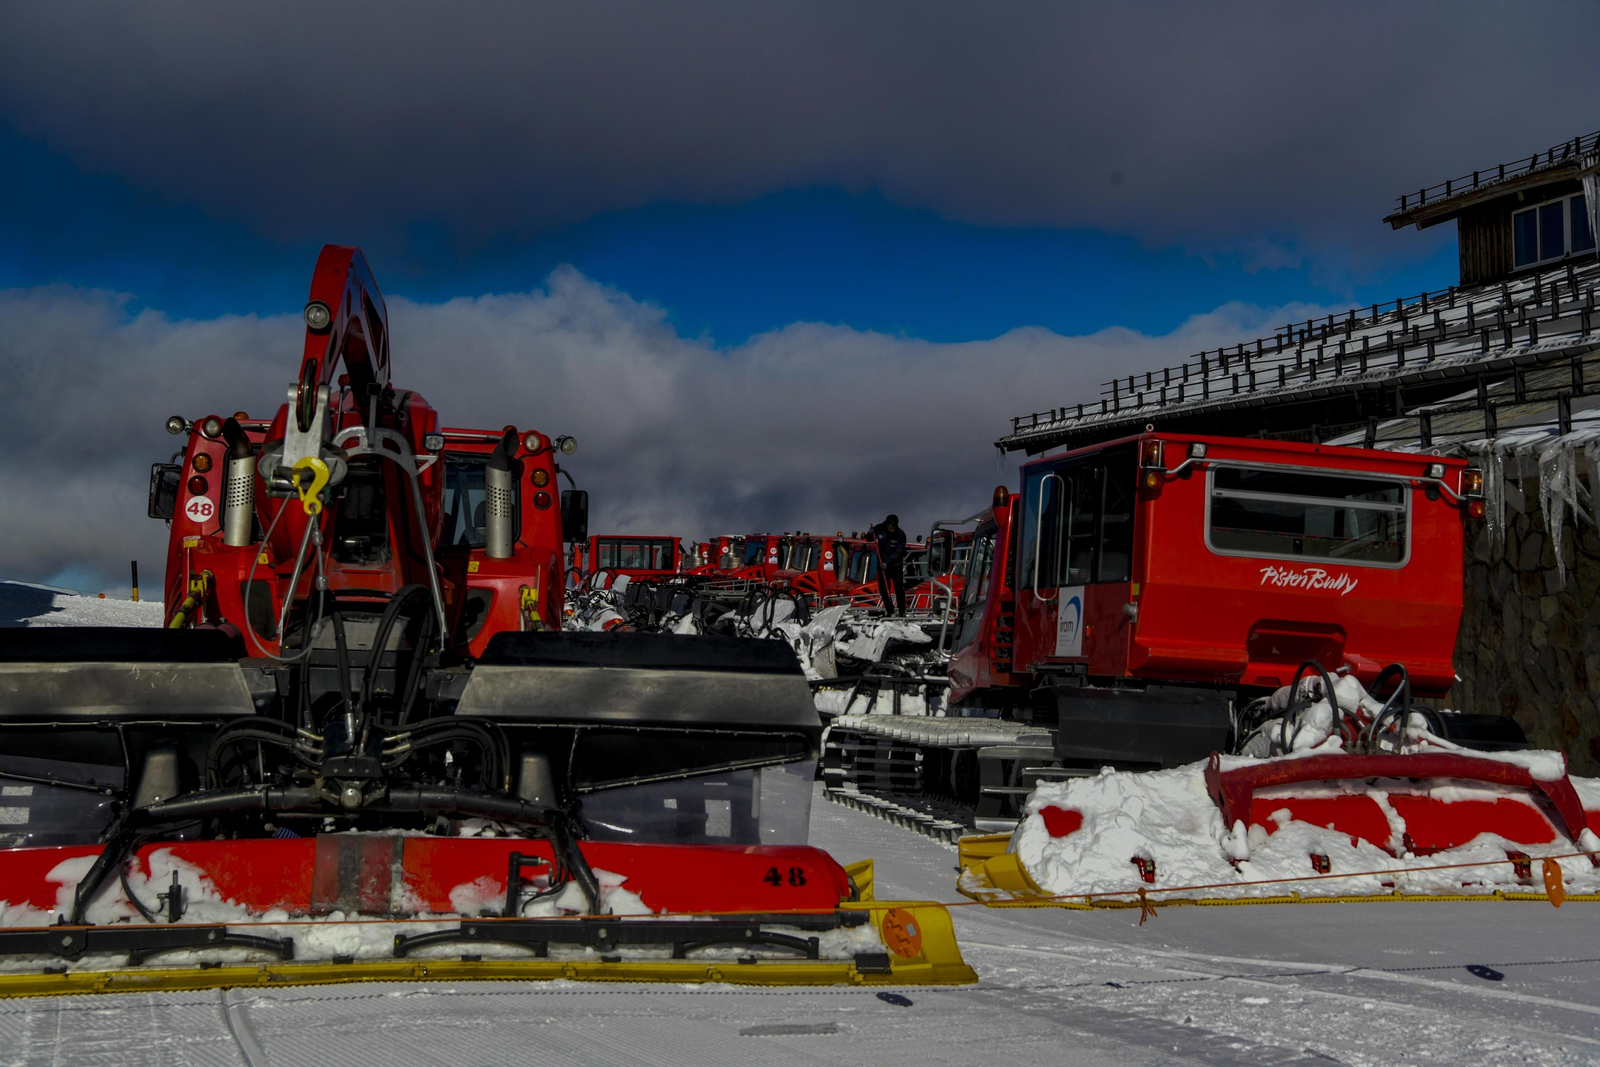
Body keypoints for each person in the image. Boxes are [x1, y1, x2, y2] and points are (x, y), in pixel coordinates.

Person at [868, 514, 908, 616]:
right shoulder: (880, 528)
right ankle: (889, 609)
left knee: (899, 588)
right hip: (882, 565)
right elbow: (869, 538)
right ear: (887, 524)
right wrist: (870, 532)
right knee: (884, 589)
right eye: (891, 527)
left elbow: (898, 552)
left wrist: (887, 562)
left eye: (894, 527)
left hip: (895, 565)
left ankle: (902, 610)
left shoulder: (900, 535)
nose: (892, 530)